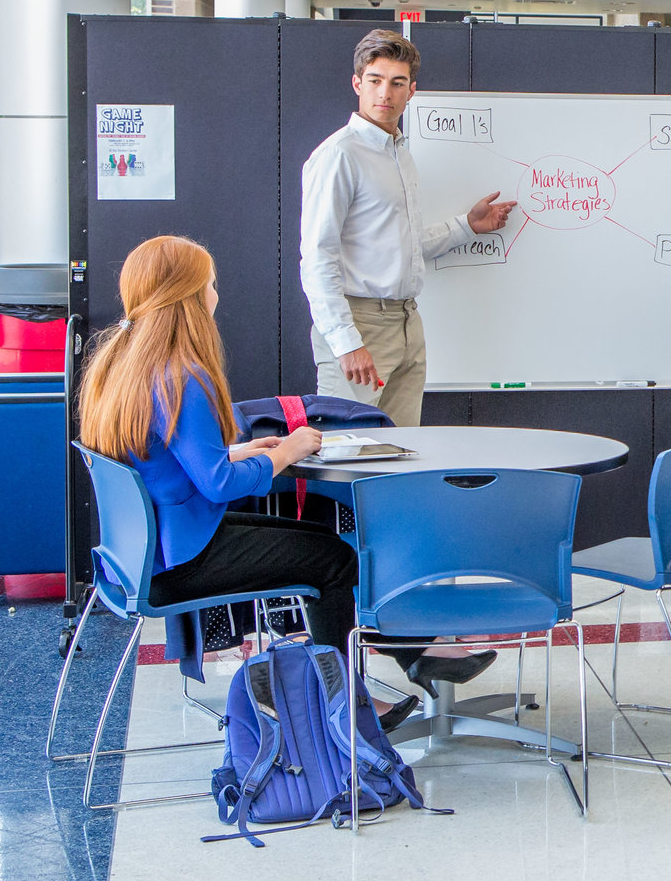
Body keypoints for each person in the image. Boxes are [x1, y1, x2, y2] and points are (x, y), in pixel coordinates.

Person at [81, 235, 494, 732]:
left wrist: (239, 452)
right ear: (189, 297)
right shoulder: (183, 376)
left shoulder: (122, 365)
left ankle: (409, 655)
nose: (216, 294)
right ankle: (348, 702)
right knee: (334, 560)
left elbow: (161, 459)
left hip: (147, 555)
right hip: (182, 560)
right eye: (211, 284)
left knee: (326, 544)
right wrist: (286, 451)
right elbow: (219, 486)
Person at [301, 29, 516, 428]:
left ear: (411, 91)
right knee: (348, 449)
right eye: (375, 80)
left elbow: (405, 244)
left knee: (401, 448)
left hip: (406, 322)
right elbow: (317, 257)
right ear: (357, 84)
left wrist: (467, 226)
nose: (386, 93)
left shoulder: (400, 154)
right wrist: (346, 343)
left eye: (397, 83)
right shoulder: (339, 156)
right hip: (360, 322)